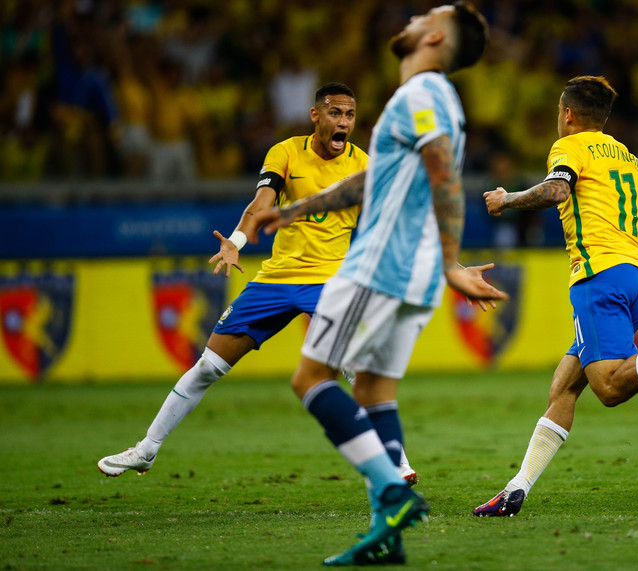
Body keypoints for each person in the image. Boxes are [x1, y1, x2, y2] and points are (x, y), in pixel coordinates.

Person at [255, 2, 504, 565]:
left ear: (434, 36)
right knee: (372, 393)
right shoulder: (437, 99)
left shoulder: (420, 94)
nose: (411, 18)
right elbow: (377, 180)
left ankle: (393, 492)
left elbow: (443, 173)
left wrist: (451, 262)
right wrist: (297, 210)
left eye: (426, 15)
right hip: (412, 273)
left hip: (380, 265)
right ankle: (386, 536)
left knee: (310, 378)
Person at [97, 82, 417, 484]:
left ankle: (397, 463)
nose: (344, 122)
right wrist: (235, 242)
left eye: (350, 115)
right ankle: (146, 450)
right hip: (276, 281)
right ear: (315, 115)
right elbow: (260, 204)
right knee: (207, 367)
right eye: (335, 113)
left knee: (354, 362)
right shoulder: (286, 153)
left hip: (330, 280)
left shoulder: (364, 166)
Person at [473, 75, 638, 518]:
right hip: (637, 280)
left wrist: (508, 199)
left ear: (568, 114)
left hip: (598, 278)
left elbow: (557, 190)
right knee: (563, 389)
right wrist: (634, 263)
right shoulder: (630, 160)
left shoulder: (569, 147)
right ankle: (515, 490)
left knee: (610, 387)